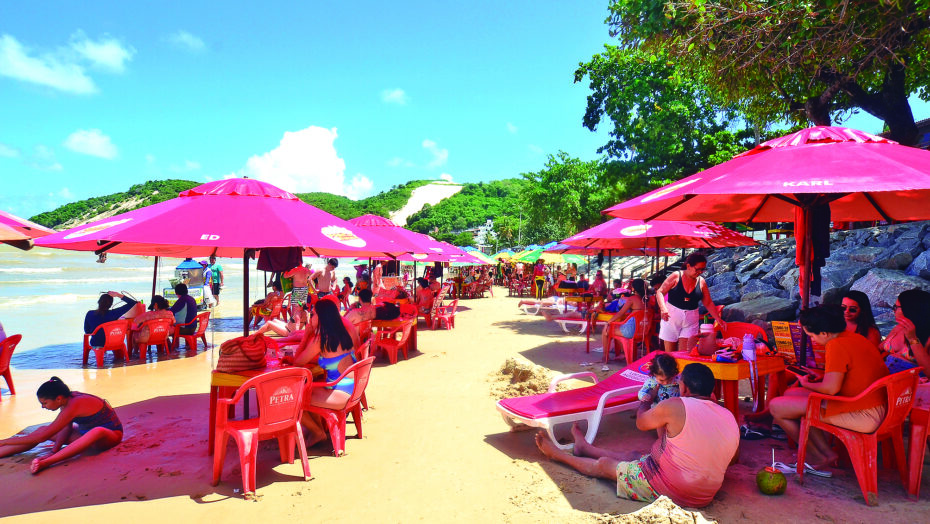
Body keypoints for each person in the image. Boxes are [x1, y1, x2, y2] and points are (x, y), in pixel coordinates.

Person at [535, 363, 739, 508]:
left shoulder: (677, 405)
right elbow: (734, 458)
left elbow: (641, 423)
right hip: (706, 494)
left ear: (683, 387)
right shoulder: (729, 416)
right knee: (637, 455)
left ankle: (558, 455)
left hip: (673, 490)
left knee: (605, 465)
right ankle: (585, 448)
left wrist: (646, 400)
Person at [769, 305, 888, 470]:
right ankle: (827, 454)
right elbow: (851, 374)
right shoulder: (855, 338)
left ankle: (817, 456)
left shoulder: (836, 346)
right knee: (791, 393)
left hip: (864, 414)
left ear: (824, 333)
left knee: (776, 406)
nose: (811, 340)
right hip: (877, 406)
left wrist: (806, 383)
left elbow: (830, 389)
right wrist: (822, 377)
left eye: (811, 336)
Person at [0, 377, 123, 474]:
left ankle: (47, 463)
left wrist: (5, 441)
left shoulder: (74, 404)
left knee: (97, 431)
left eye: (45, 403)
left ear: (58, 399)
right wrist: (55, 450)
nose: (43, 407)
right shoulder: (66, 400)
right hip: (86, 436)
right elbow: (66, 427)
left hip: (111, 436)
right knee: (42, 429)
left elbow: (41, 438)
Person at [285, 297, 359, 447]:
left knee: (292, 398)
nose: (310, 317)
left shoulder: (321, 339)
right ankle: (316, 430)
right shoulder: (342, 334)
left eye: (313, 314)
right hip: (352, 388)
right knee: (307, 389)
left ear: (322, 317)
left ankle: (317, 432)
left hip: (340, 394)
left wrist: (307, 334)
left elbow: (298, 362)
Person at [655, 254, 726, 352]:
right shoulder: (676, 276)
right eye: (697, 269)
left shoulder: (701, 282)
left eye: (703, 270)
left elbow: (708, 302)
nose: (700, 272)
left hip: (691, 319)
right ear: (688, 266)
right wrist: (663, 309)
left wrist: (718, 318)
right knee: (670, 352)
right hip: (672, 316)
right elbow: (660, 292)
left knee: (685, 352)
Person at [879, 288, 930, 372]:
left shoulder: (927, 337)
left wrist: (913, 339)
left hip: (908, 382)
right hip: (884, 374)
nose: (893, 310)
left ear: (909, 310)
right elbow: (880, 348)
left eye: (896, 307)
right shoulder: (899, 328)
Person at [600, 279, 647, 363]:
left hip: (631, 331)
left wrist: (608, 321)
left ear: (633, 288)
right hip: (644, 331)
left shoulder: (632, 299)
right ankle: (623, 353)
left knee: (606, 329)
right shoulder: (647, 300)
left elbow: (620, 313)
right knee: (616, 327)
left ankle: (605, 356)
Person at [284, 263, 312, 330]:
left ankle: (295, 326)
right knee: (302, 306)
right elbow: (312, 276)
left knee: (295, 307)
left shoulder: (295, 270)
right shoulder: (306, 270)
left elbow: (285, 276)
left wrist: (286, 270)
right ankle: (302, 324)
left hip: (297, 290)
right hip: (304, 290)